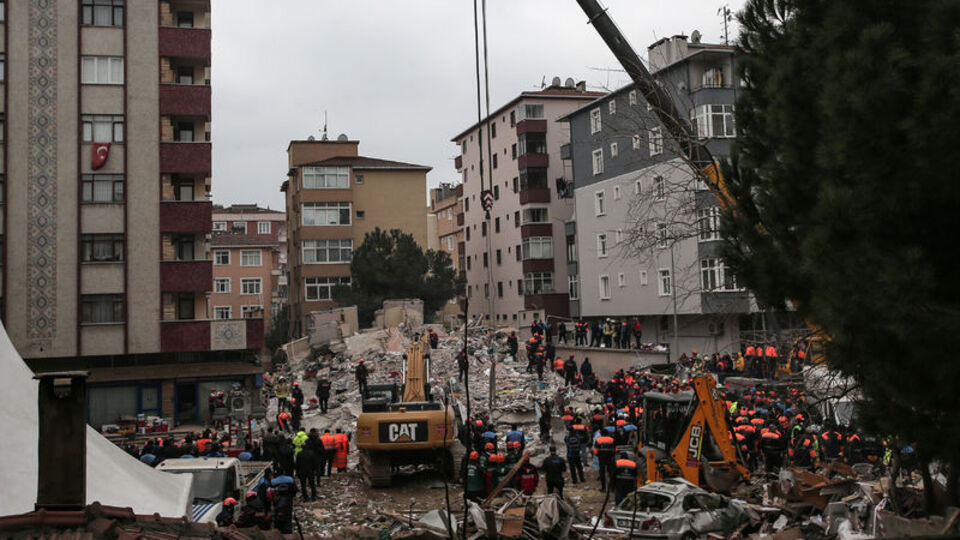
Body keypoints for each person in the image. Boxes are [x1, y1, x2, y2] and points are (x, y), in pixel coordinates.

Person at [295, 433, 318, 501]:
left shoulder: (299, 454)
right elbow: (314, 463)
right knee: (312, 483)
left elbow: (297, 464)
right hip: (310, 470)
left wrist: (297, 472)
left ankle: (305, 497)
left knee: (303, 484)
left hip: (302, 471)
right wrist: (315, 470)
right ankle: (313, 496)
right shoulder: (311, 453)